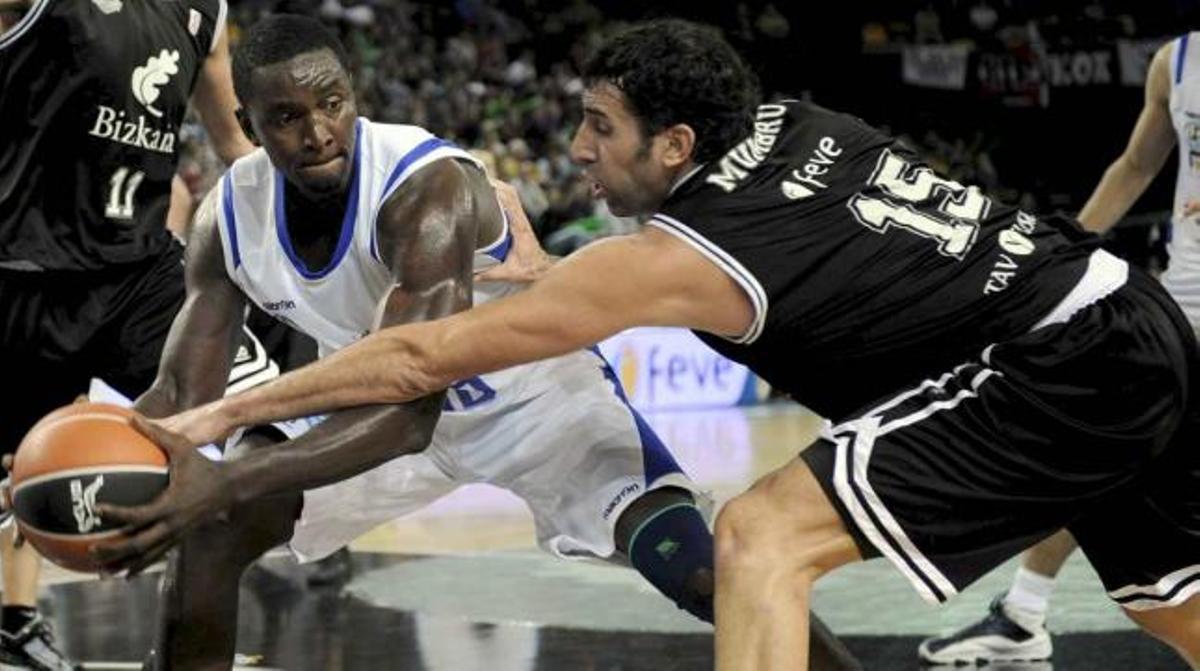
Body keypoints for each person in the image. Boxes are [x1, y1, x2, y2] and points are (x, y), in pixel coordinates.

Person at [96, 19, 1199, 670]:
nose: (573, 149)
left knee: (754, 541)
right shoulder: (800, 122)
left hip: (521, 403)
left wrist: (227, 425)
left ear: (676, 142)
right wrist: (170, 449)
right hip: (1113, 317)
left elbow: (421, 370)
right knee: (1169, 602)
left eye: (600, 129)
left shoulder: (595, 233)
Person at [88, 16, 818, 671]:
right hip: (368, 404)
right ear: (248, 122)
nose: (317, 133)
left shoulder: (423, 186)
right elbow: (181, 396)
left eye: (332, 104)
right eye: (286, 118)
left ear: (354, 94)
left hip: (530, 399)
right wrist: (90, 463)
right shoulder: (226, 218)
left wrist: (233, 474)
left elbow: (412, 407)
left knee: (696, 570)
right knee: (207, 531)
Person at [0, 1, 267, 668]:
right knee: (18, 479)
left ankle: (188, 644)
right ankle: (14, 618)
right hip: (21, 272)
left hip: (140, 275)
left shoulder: (205, 11)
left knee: (261, 425)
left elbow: (234, 144)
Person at [919, 32, 1200, 666]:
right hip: (1178, 312)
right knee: (1095, 458)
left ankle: (1023, 612)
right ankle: (1022, 614)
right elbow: (1134, 167)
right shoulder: (1176, 61)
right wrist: (1061, 252)